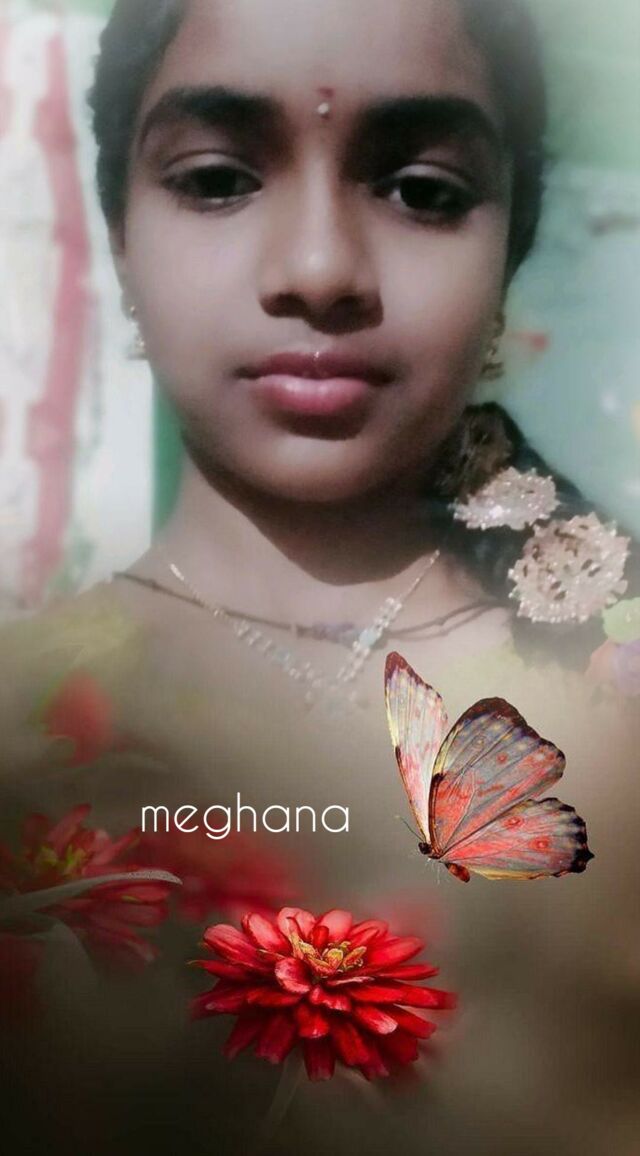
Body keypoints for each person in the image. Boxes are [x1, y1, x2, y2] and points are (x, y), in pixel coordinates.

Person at [0, 2, 638, 1154]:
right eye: (216, 179)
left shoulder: (618, 695)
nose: (317, 269)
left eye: (422, 191)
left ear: (511, 248)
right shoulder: (16, 732)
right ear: (121, 232)